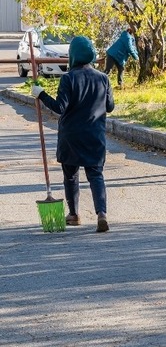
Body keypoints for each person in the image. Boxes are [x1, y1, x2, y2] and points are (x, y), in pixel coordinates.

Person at [31, 36, 115, 233]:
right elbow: (110, 106)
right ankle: (101, 214)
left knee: (70, 176)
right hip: (95, 135)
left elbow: (59, 107)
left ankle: (74, 214)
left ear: (73, 55)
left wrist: (41, 94)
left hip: (71, 137)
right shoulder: (103, 78)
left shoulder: (68, 78)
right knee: (96, 174)